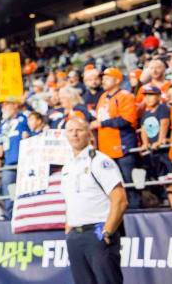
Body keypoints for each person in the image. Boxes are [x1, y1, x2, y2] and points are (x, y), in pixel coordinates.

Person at [61, 117, 127, 284]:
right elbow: (70, 201)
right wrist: (69, 230)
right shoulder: (67, 166)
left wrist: (107, 231)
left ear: (89, 134)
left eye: (79, 130)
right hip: (76, 236)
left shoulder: (100, 161)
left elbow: (120, 199)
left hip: (98, 233)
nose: (74, 134)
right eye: (70, 131)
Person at [91, 68, 140, 210]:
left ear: (117, 80)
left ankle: (134, 215)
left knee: (129, 185)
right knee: (112, 187)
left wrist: (102, 124)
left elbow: (127, 119)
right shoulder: (102, 97)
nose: (103, 80)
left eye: (107, 77)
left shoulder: (126, 96)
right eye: (103, 78)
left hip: (123, 149)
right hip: (106, 151)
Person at [139, 85, 172, 208]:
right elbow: (143, 129)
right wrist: (145, 143)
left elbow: (164, 124)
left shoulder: (163, 109)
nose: (148, 98)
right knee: (165, 180)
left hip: (165, 151)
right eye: (146, 95)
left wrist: (160, 141)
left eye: (151, 95)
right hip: (155, 152)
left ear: (159, 96)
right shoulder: (146, 113)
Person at [0, 98, 30, 219]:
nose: (3, 108)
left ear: (15, 105)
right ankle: (10, 214)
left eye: (6, 105)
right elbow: (0, 142)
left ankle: (26, 213)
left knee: (25, 187)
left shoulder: (24, 117)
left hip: (24, 159)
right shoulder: (3, 124)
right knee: (9, 187)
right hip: (9, 161)